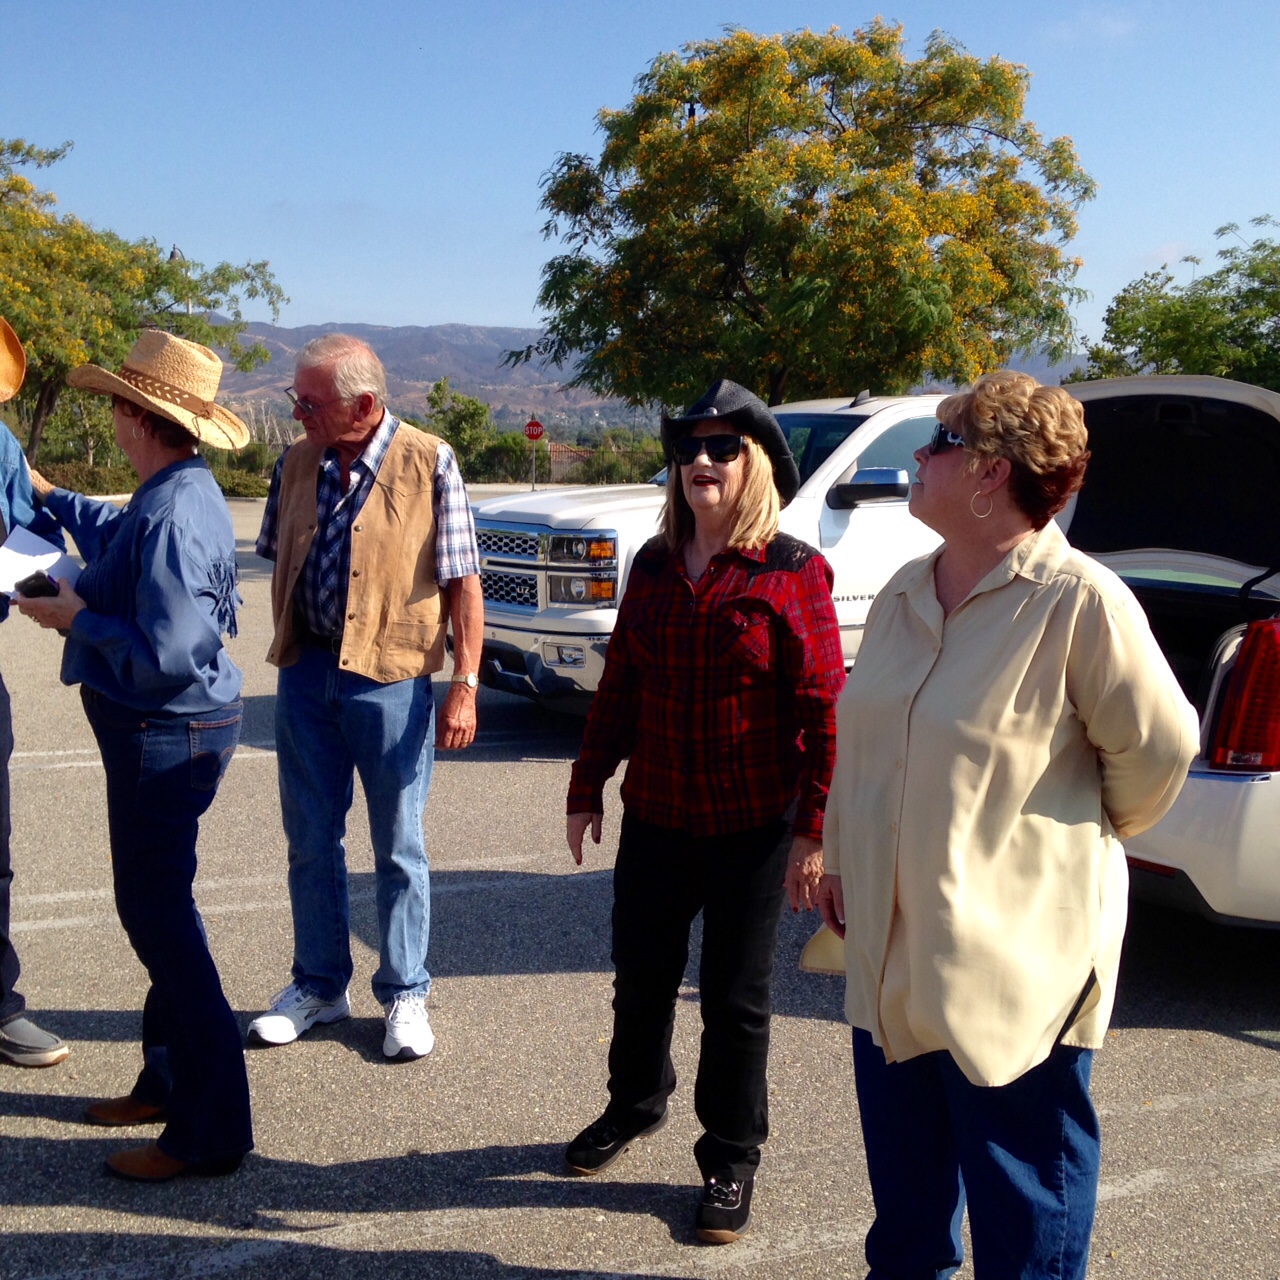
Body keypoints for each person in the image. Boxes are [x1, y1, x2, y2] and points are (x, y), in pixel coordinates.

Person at [817, 370, 1199, 1278]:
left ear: (992, 473)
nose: (918, 456)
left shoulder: (1080, 602)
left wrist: (1066, 841)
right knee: (907, 1214)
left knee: (1024, 1201)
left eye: (940, 442)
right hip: (893, 957)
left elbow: (1159, 751)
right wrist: (843, 855)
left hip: (1018, 964)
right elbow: (869, 740)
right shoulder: (910, 588)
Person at [565, 379, 844, 1245]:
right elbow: (621, 684)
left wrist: (813, 833)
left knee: (734, 999)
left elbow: (825, 710)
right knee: (639, 980)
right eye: (688, 448)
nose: (700, 461)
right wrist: (587, 786)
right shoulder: (651, 565)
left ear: (753, 463)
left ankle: (730, 1156)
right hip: (657, 814)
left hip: (753, 825)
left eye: (722, 448)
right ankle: (635, 1104)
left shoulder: (793, 569)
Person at [18, 329, 251, 1182]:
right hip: (171, 730)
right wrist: (49, 491)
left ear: (135, 416)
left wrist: (75, 618)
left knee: (161, 925)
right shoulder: (175, 489)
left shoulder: (174, 512)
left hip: (167, 730)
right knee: (162, 908)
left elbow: (170, 652)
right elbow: (113, 527)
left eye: (117, 402)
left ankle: (211, 1131)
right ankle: (165, 1082)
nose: (111, 414)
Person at [248, 333, 482, 1061]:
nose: (299, 413)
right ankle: (319, 985)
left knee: (399, 847)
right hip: (306, 672)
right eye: (296, 398)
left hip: (391, 678)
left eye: (310, 402)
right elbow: (273, 551)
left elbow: (462, 583)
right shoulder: (295, 462)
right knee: (310, 841)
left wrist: (464, 686)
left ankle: (406, 994)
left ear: (366, 405)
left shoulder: (429, 460)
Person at [0, 316, 70, 1069]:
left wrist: (61, 596)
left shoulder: (2, 447)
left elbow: (26, 536)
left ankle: (0, 1005)